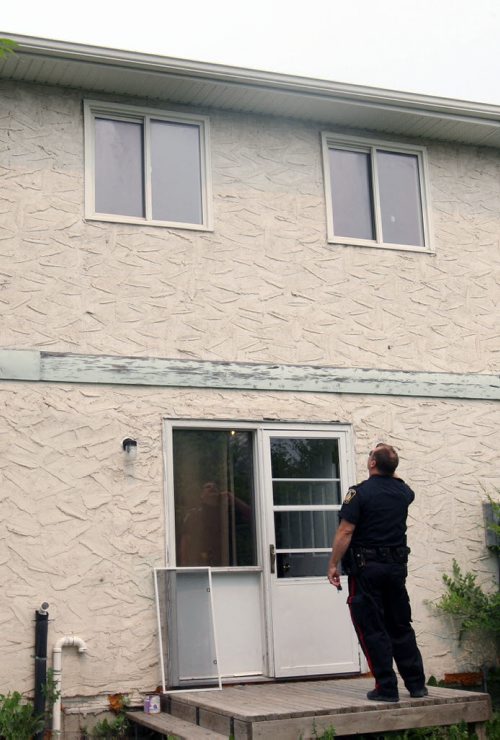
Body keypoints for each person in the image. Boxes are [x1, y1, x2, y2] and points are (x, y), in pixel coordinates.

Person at [327, 443, 427, 702]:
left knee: (371, 627)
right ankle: (416, 685)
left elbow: (346, 531)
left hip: (367, 570)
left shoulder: (359, 493)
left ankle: (386, 687)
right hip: (396, 570)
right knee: (400, 625)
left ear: (372, 463)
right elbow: (394, 478)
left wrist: (333, 564)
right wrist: (388, 467)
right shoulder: (404, 492)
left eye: (371, 454)